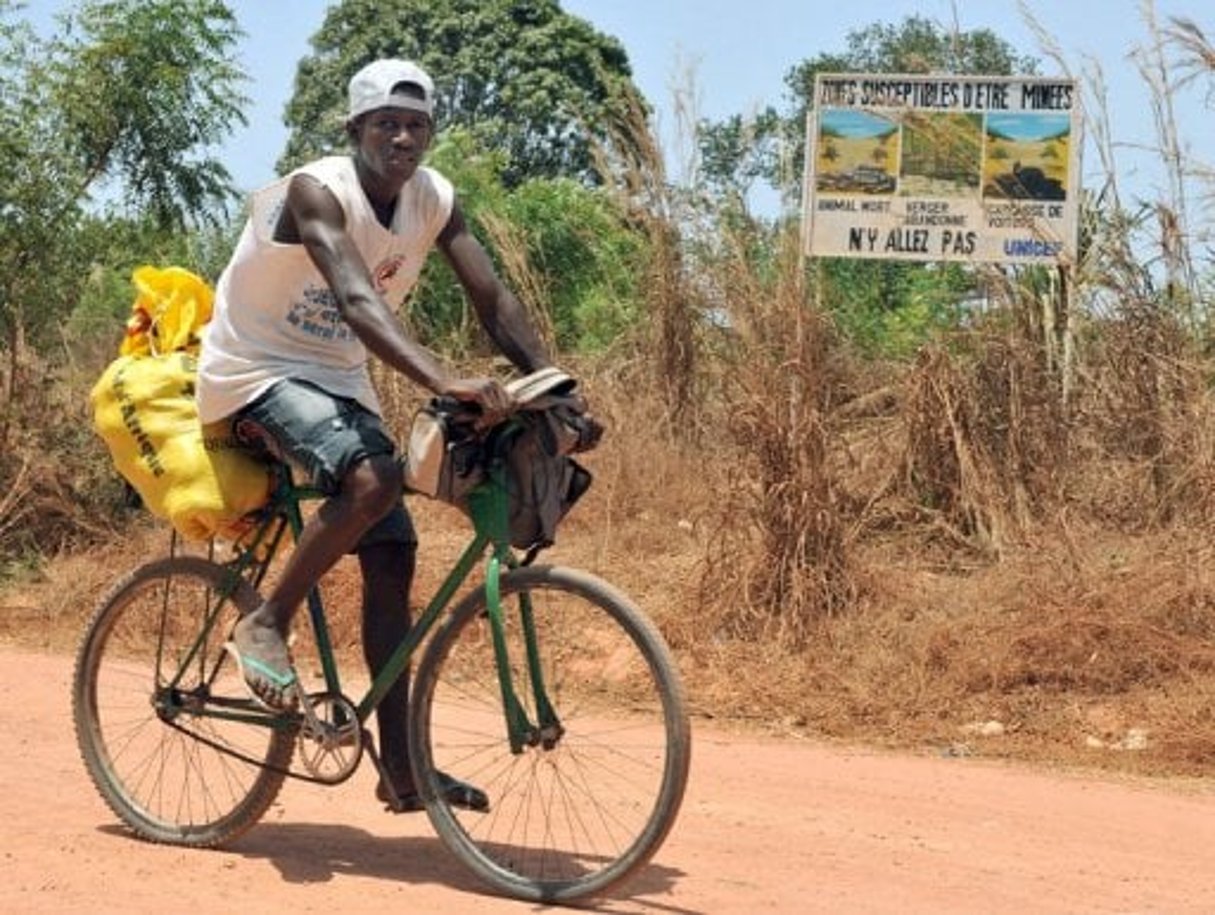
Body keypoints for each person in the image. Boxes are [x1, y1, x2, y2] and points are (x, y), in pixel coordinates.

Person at [196, 58, 552, 813]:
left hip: (336, 378)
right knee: (372, 479)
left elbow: (493, 299)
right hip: (254, 367)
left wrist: (555, 386)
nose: (402, 137)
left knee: (392, 554)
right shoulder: (315, 188)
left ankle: (400, 770)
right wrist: (440, 378)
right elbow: (357, 299)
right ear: (354, 130)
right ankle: (264, 620)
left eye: (416, 124)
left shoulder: (432, 199)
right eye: (385, 123)